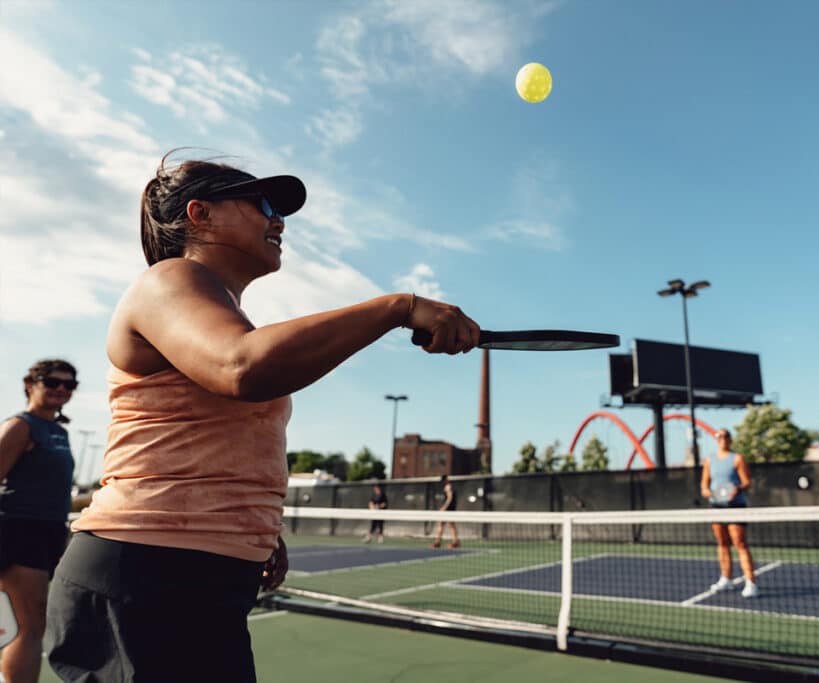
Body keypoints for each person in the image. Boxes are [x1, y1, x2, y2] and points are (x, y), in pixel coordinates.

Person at [45, 152, 480, 683]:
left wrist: (254, 528)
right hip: (142, 574)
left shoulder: (219, 310)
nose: (279, 220)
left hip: (198, 580)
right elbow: (240, 367)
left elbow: (220, 437)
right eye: (264, 203)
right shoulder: (167, 280)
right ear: (199, 214)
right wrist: (397, 308)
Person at [0, 359, 77, 683]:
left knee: (21, 624)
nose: (61, 388)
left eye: (69, 384)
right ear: (31, 384)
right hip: (19, 530)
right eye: (52, 381)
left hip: (46, 532)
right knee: (29, 625)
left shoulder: (58, 431)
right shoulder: (21, 425)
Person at [700, 428, 759, 598]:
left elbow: (747, 481)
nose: (722, 439)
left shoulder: (737, 458)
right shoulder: (710, 460)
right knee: (722, 543)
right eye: (719, 437)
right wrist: (708, 492)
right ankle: (726, 578)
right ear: (716, 440)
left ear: (730, 439)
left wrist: (737, 489)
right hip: (716, 507)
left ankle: (751, 582)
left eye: (725, 436)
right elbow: (704, 485)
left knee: (740, 543)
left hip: (735, 506)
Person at [431, 474, 459, 549]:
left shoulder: (448, 487)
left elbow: (450, 498)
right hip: (449, 510)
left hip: (448, 510)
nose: (443, 482)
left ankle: (453, 542)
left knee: (448, 525)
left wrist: (444, 507)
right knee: (444, 525)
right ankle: (439, 542)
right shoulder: (448, 486)